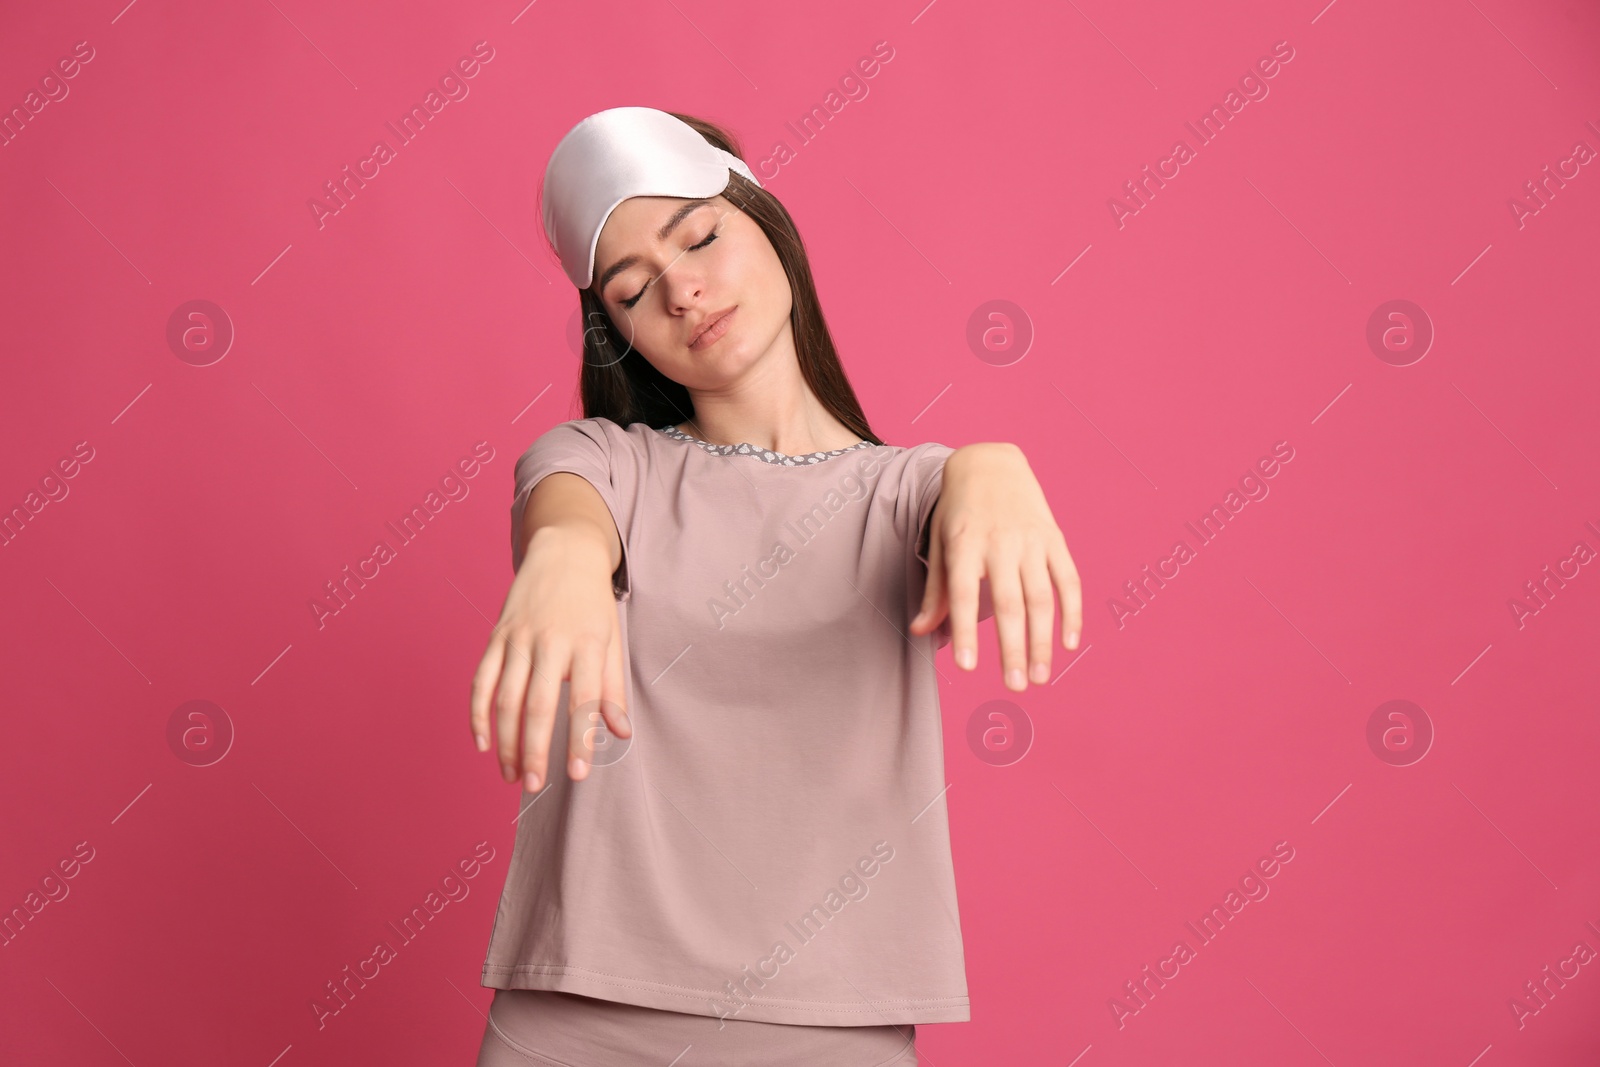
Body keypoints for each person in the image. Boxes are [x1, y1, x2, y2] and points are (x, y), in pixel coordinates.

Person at [469, 106, 1082, 1066]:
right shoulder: (604, 462)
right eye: (635, 291)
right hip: (577, 1016)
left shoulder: (901, 491)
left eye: (701, 235)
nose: (685, 292)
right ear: (618, 331)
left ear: (765, 216)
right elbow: (565, 507)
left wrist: (994, 465)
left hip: (829, 1028)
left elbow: (950, 489)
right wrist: (563, 560)